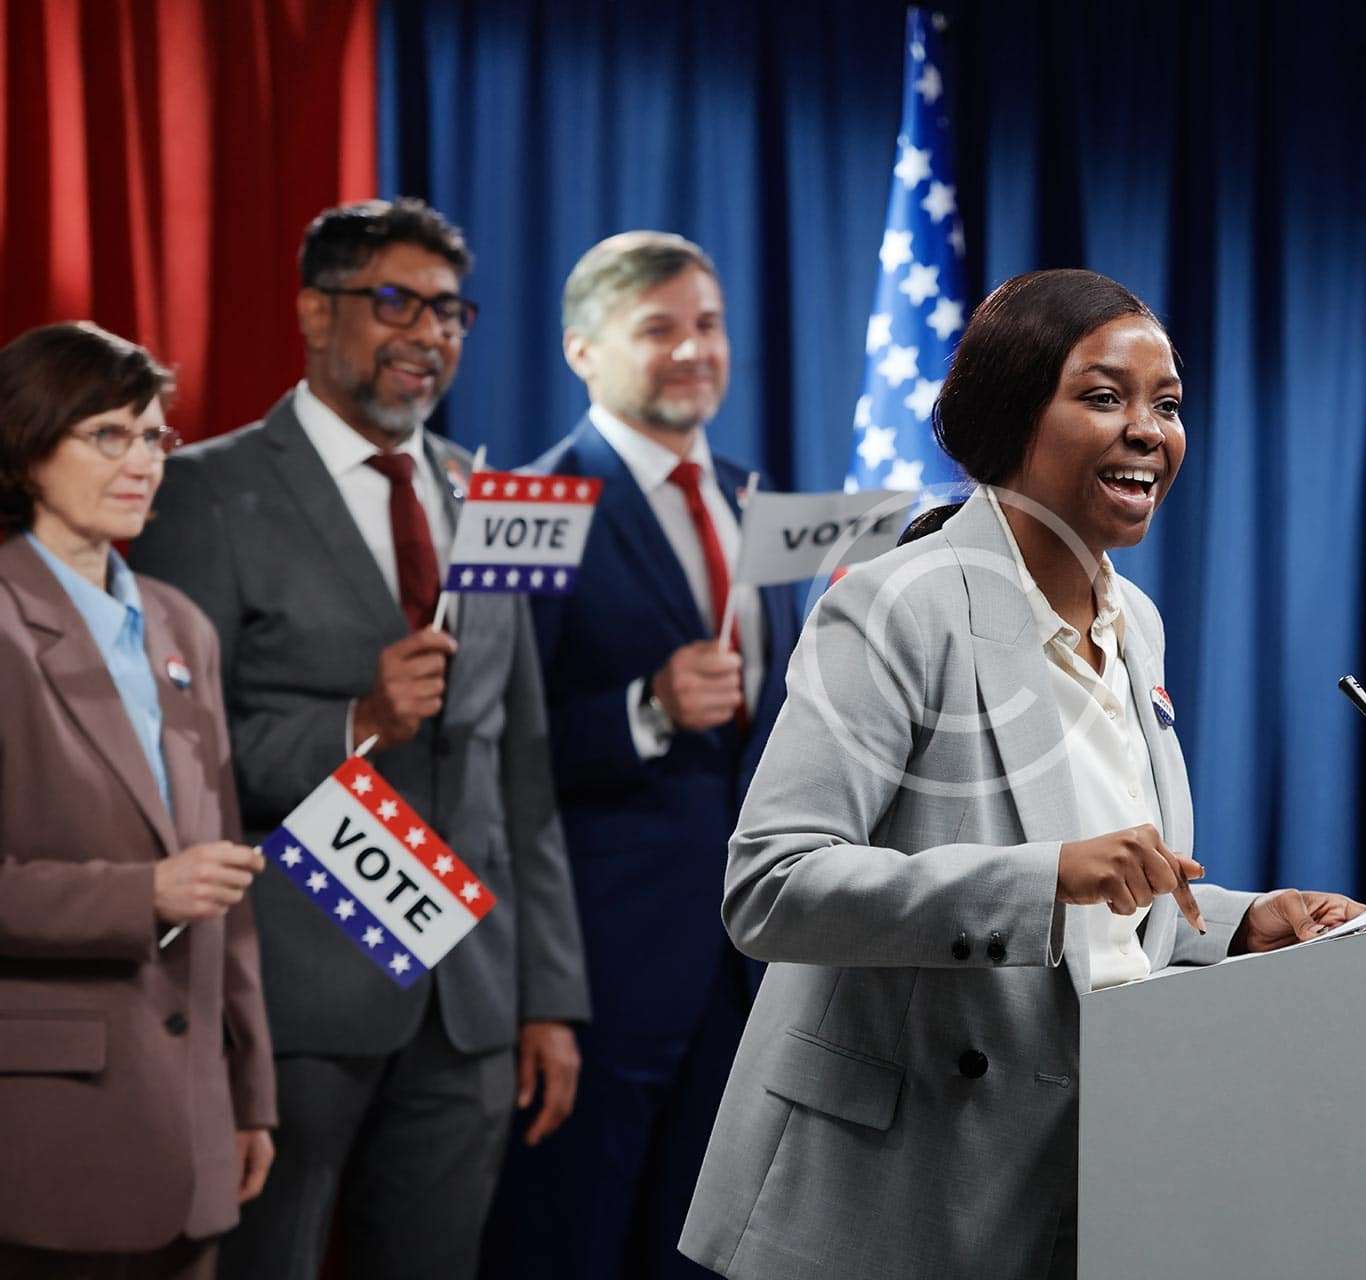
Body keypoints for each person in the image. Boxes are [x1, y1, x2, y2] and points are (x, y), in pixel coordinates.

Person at [678, 269, 1366, 1278]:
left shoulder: (1137, 622)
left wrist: (1235, 922)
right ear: (1011, 416)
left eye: (1168, 404)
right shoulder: (898, 604)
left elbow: (1100, 897)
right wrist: (1044, 878)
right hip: (895, 1188)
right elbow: (772, 886)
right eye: (1104, 396)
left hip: (1093, 1164)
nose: (1148, 431)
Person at [127, 199, 591, 1280]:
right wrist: (355, 724)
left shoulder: (488, 496)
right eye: (395, 302)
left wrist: (549, 996)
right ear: (313, 311)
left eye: (449, 311)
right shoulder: (204, 492)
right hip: (293, 997)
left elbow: (519, 763)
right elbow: (167, 761)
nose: (427, 333)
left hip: (467, 1001)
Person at [482, 231, 800, 1278]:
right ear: (582, 350)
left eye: (707, 324)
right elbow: (485, 751)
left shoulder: (755, 500)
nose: (693, 349)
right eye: (658, 328)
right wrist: (644, 710)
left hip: (746, 966)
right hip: (591, 972)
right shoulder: (521, 508)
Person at [0, 322, 274, 1278]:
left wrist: (251, 1092)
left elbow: (224, 879)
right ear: (28, 446)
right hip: (46, 1128)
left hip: (192, 1128)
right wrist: (140, 894)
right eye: (109, 435)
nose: (144, 462)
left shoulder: (180, 625)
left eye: (154, 436)